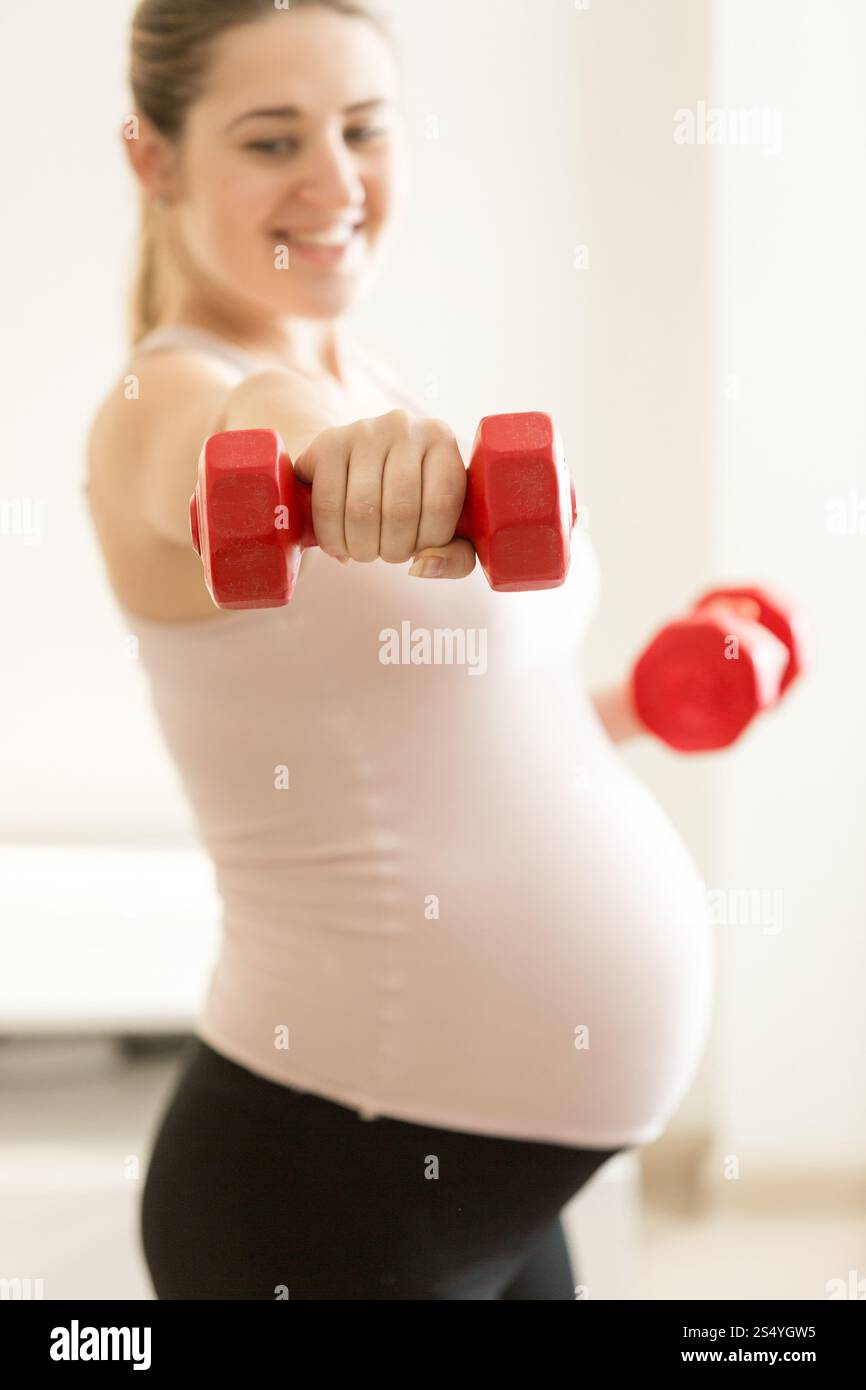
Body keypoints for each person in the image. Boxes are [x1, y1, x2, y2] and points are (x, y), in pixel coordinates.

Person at [85, 0, 713, 1300]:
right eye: (271, 140)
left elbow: (452, 743)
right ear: (153, 158)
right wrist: (324, 452)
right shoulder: (164, 401)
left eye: (363, 127)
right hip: (322, 1180)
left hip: (486, 1184)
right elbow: (248, 431)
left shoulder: (374, 379)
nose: (335, 181)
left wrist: (631, 705)